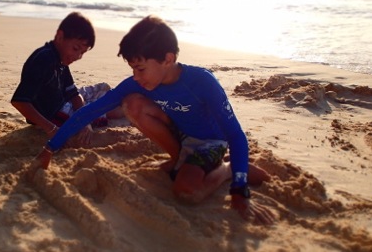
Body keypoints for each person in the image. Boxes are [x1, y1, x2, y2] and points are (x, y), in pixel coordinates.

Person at [29, 15, 274, 224]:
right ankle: (180, 160)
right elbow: (89, 111)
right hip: (179, 132)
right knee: (132, 104)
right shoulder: (142, 82)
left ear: (167, 59)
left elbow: (234, 134)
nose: (136, 76)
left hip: (209, 141)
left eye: (141, 68)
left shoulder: (202, 82)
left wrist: (240, 190)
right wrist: (50, 148)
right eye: (133, 69)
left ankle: (227, 169)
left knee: (186, 193)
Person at [11, 12, 123, 144]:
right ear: (60, 36)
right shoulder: (44, 59)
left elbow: (74, 95)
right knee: (110, 110)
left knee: (103, 89)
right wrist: (52, 129)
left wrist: (84, 121)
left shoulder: (59, 59)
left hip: (63, 99)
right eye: (76, 48)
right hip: (54, 114)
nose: (78, 56)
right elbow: (19, 101)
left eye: (82, 53)